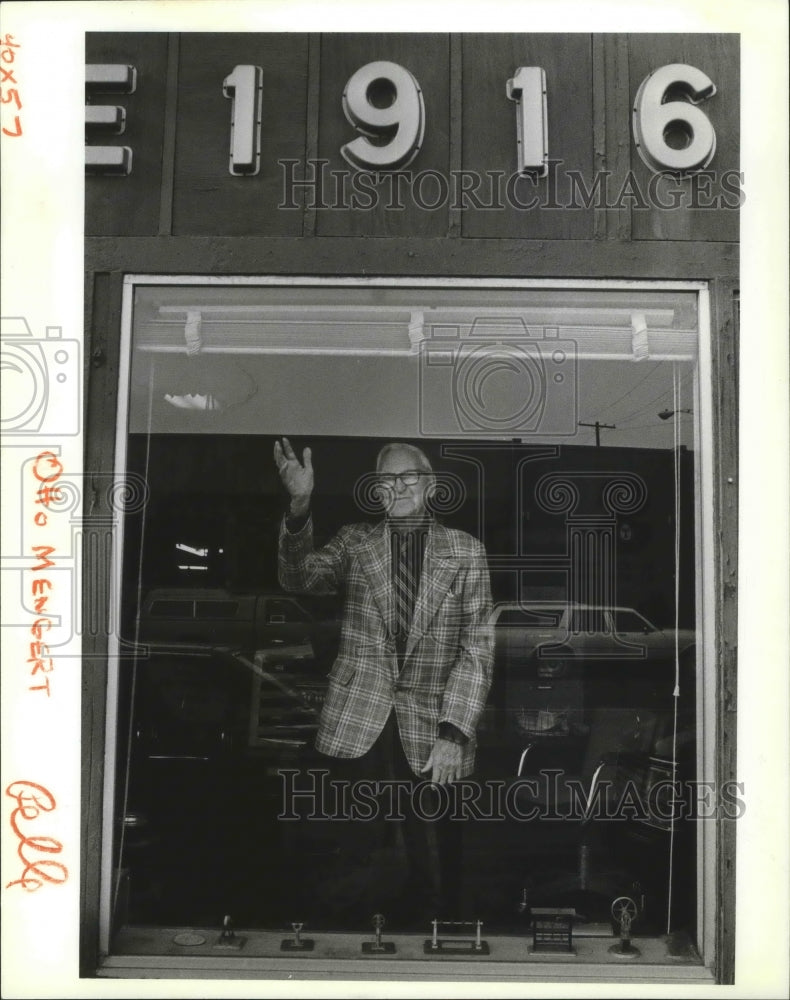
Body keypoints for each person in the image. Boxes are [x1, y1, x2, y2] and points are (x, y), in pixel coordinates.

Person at [274, 437, 494, 921]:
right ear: (376, 491)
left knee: (433, 867)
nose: (397, 486)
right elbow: (299, 578)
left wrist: (454, 732)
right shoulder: (355, 542)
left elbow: (476, 650)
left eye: (408, 476)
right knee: (356, 865)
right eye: (386, 479)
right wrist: (300, 505)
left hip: (433, 730)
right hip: (357, 724)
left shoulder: (466, 552)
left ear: (430, 485)